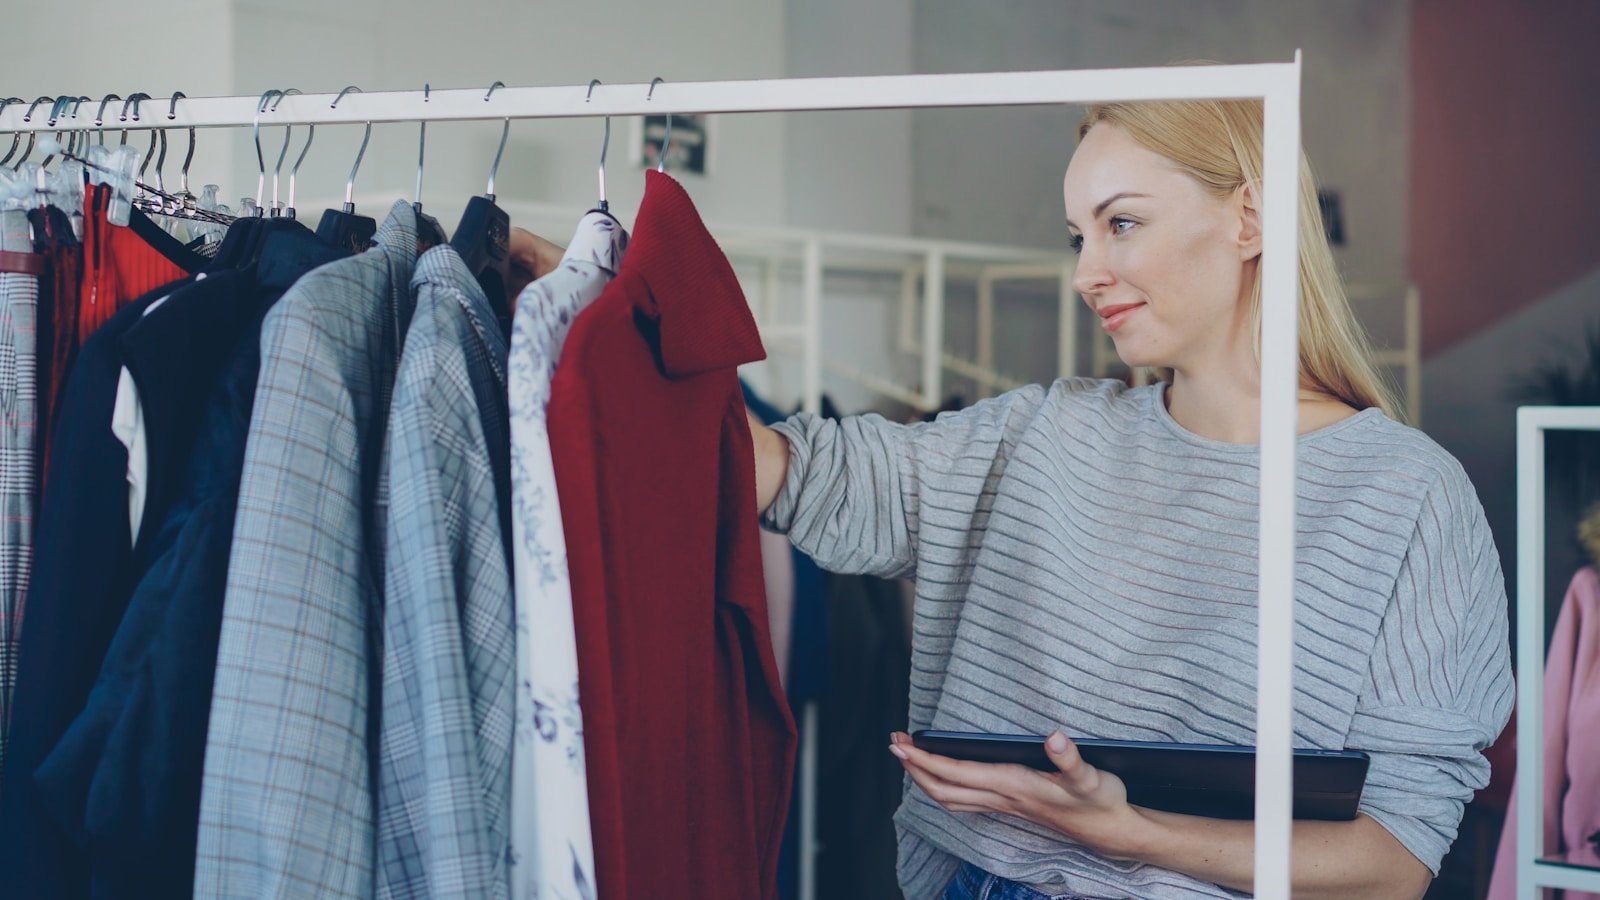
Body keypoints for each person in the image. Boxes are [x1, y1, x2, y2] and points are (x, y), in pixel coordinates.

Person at [746, 98, 1513, 899]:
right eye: (1079, 237)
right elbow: (805, 472)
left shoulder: (1407, 496)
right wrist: (631, 338)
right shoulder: (1045, 432)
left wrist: (1131, 834)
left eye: (1122, 224)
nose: (1085, 274)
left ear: (1249, 219)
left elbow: (1395, 862)